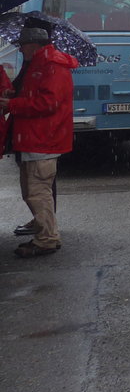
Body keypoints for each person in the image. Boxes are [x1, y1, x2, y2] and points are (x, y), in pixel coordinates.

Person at [0, 23, 78, 258]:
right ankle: (44, 230)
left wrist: (12, 104)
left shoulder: (51, 65)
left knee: (37, 191)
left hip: (42, 138)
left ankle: (47, 239)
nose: (20, 51)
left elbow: (48, 103)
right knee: (32, 190)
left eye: (22, 46)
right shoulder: (41, 63)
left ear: (33, 45)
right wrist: (14, 95)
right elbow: (40, 97)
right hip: (37, 138)